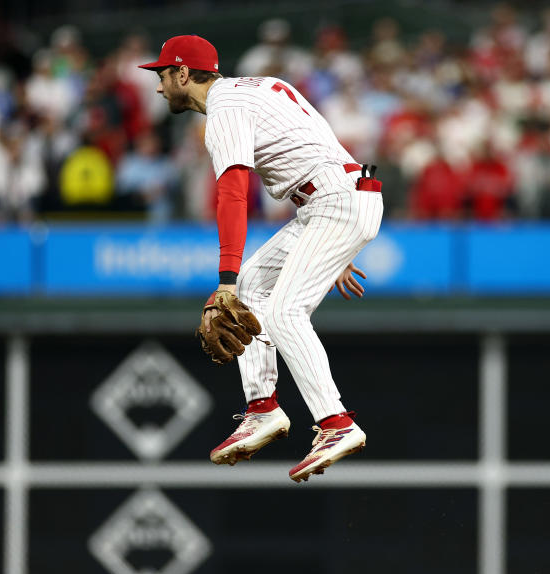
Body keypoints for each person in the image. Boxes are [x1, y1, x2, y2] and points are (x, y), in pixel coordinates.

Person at [138, 35, 382, 482]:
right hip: (335, 199)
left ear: (184, 74)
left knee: (285, 311)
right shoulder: (256, 87)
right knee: (255, 286)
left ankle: (335, 423)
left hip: (335, 202)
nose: (158, 85)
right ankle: (262, 409)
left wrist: (224, 279)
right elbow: (317, 143)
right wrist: (338, 245)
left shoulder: (224, 110)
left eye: (162, 74)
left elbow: (232, 194)